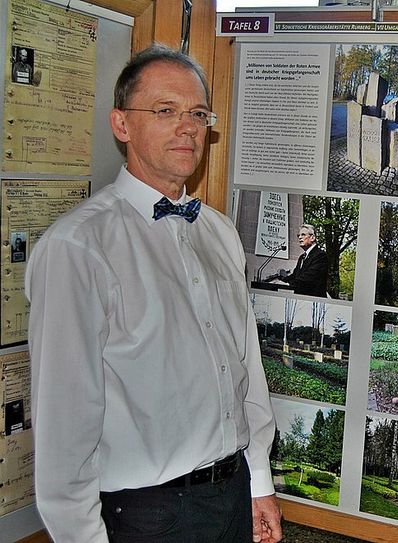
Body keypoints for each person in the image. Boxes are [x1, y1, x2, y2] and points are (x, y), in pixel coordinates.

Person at [26, 44, 283, 543]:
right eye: (165, 111)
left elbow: (245, 369)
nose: (187, 127)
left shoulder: (219, 232)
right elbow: (64, 430)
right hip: (148, 516)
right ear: (122, 125)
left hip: (231, 496)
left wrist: (258, 484)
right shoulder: (79, 247)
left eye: (197, 113)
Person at [279, 224, 328, 297]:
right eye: (298, 235)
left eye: (303, 235)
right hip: (300, 300)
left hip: (314, 301)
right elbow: (295, 276)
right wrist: (281, 281)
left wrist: (289, 284)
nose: (300, 237)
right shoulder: (302, 257)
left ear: (312, 238)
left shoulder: (320, 255)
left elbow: (309, 277)